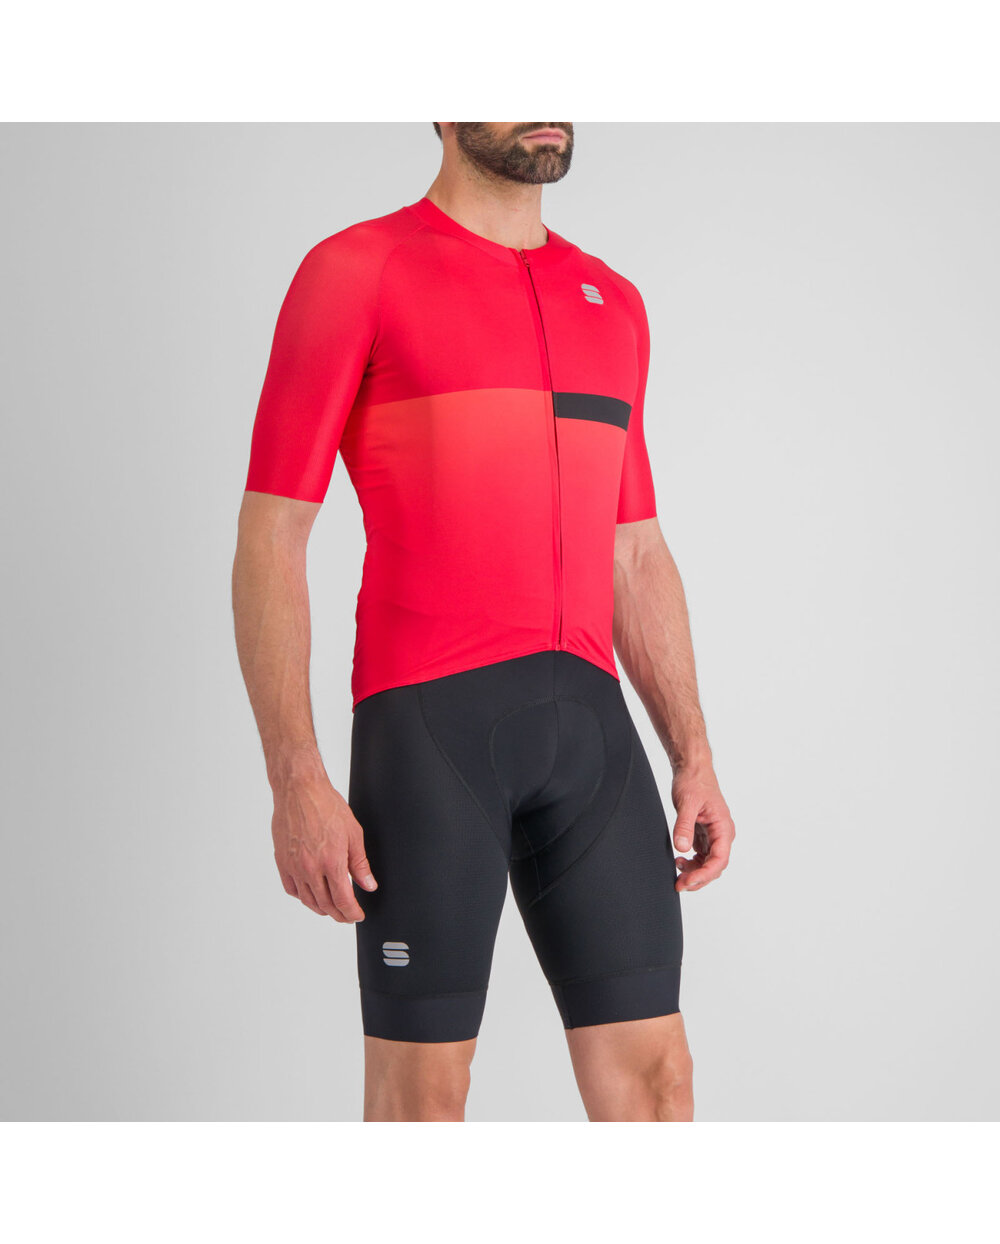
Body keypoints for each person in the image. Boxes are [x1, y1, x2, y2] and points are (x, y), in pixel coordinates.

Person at [232, 123, 735, 1122]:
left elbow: (635, 550)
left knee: (659, 1084)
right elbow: (271, 537)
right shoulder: (358, 272)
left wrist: (693, 752)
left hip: (590, 740)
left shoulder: (613, 300)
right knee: (423, 1100)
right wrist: (295, 776)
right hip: (430, 737)